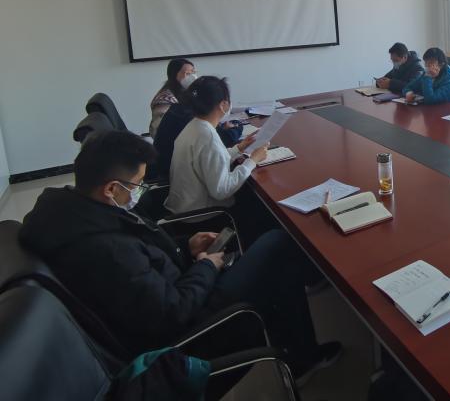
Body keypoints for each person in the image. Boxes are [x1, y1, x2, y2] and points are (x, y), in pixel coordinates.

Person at [18, 130, 340, 382]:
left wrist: (185, 247)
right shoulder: (104, 250)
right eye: (136, 185)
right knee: (277, 243)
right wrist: (206, 267)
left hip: (182, 284)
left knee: (275, 259)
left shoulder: (80, 215)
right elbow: (172, 312)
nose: (138, 193)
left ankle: (300, 352)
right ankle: (301, 352)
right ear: (111, 189)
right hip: (194, 326)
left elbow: (143, 258)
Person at [166, 76, 267, 214]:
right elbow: (221, 191)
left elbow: (211, 161)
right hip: (202, 215)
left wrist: (239, 148)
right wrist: (252, 161)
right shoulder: (208, 137)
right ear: (223, 105)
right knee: (257, 206)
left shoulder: (195, 125)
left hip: (184, 206)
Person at [149, 58, 197, 138]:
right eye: (188, 73)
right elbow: (160, 129)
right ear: (174, 75)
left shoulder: (191, 93)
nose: (193, 77)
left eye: (194, 72)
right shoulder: (164, 99)